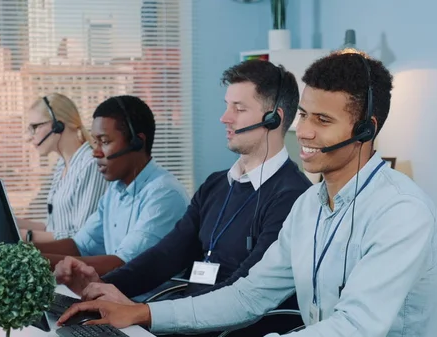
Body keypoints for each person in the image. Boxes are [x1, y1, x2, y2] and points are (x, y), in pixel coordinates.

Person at [57, 51, 437, 337]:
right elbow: (248, 296)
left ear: (366, 129)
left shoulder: (401, 213)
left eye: (323, 120)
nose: (305, 132)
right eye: (305, 115)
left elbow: (355, 326)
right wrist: (143, 314)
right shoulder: (310, 205)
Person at [54, 59, 312, 336]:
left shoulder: (292, 197)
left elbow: (243, 293)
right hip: (183, 322)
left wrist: (145, 314)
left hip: (227, 328)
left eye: (239, 109)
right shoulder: (216, 185)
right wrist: (105, 286)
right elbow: (167, 254)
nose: (225, 117)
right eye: (227, 106)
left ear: (275, 118)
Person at [33, 95, 190, 275]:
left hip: (145, 300)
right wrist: (17, 250)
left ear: (137, 142)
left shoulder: (163, 194)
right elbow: (80, 245)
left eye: (105, 142)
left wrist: (29, 261)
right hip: (113, 294)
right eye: (95, 142)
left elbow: (122, 266)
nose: (96, 153)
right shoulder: (115, 191)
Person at [18, 93, 108, 243]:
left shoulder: (91, 165)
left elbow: (81, 237)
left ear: (58, 126)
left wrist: (27, 236)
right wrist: (10, 222)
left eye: (35, 127)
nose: (28, 137)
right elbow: (55, 229)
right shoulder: (62, 165)